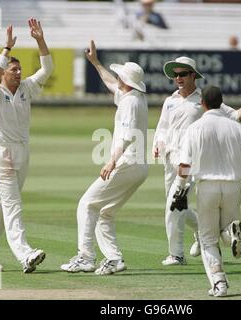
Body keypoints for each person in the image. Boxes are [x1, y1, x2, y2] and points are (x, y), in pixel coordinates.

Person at [153, 56, 241, 266]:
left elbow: (235, 117)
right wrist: (157, 144)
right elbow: (162, 128)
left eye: (183, 74)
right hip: (171, 160)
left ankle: (176, 254)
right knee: (178, 205)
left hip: (193, 162)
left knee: (172, 207)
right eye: (175, 75)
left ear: (193, 75)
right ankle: (198, 231)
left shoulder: (203, 99)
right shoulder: (170, 101)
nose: (178, 78)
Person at [61, 40, 148, 275]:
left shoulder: (130, 102)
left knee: (86, 204)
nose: (117, 78)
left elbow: (128, 137)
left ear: (127, 82)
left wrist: (112, 161)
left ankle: (85, 257)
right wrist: (95, 62)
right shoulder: (133, 96)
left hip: (127, 162)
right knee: (105, 212)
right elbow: (111, 83)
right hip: (138, 166)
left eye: (120, 76)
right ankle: (114, 259)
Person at [0, 19, 53, 273]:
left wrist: (39, 40)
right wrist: (6, 49)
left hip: (22, 150)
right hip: (1, 153)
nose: (19, 73)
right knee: (13, 204)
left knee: (3, 204)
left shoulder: (26, 88)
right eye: (14, 70)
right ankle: (25, 254)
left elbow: (47, 70)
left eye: (19, 69)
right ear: (3, 72)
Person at [176, 85, 241, 297]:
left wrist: (179, 190)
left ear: (202, 104)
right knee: (225, 231)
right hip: (233, 186)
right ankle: (232, 232)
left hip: (207, 188)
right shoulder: (235, 127)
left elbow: (184, 165)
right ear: (221, 102)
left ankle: (219, 283)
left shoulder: (194, 128)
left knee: (207, 240)